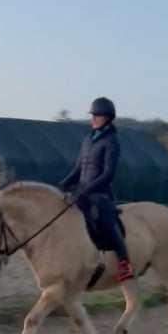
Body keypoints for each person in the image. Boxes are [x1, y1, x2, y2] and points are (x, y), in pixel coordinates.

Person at [57, 97, 134, 281]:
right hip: (82, 192)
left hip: (100, 193)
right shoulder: (88, 140)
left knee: (107, 222)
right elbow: (78, 169)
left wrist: (88, 189)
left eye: (96, 116)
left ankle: (124, 263)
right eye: (93, 116)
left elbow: (108, 174)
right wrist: (63, 184)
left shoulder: (111, 141)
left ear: (107, 117)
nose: (93, 119)